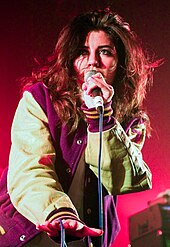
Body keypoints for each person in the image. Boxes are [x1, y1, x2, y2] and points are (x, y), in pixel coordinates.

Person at [0, 8, 159, 247]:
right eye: (83, 53)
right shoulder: (40, 99)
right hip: (29, 233)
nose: (93, 62)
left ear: (121, 64)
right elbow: (30, 168)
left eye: (105, 52)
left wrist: (101, 118)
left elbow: (123, 180)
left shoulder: (132, 121)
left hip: (87, 239)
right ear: (70, 60)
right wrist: (59, 213)